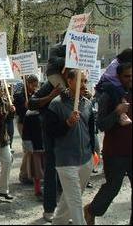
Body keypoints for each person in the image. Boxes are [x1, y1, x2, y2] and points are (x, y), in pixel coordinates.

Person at [84, 62, 132, 225]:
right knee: (113, 187)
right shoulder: (109, 95)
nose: (130, 79)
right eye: (127, 76)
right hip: (116, 152)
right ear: (119, 77)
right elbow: (102, 124)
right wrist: (117, 112)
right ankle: (91, 210)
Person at [46, 69, 95, 225]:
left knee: (68, 201)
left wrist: (93, 153)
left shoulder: (87, 104)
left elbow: (91, 132)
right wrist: (67, 123)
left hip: (86, 160)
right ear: (70, 81)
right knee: (75, 202)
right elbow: (50, 132)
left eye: (86, 81)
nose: (84, 84)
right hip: (66, 162)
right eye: (81, 80)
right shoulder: (56, 104)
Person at [29, 73, 64, 222]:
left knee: (69, 175)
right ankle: (49, 209)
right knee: (51, 171)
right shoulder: (51, 83)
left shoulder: (79, 83)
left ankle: (66, 211)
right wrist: (51, 96)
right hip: (52, 135)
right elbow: (31, 103)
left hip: (70, 138)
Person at [20, 76, 44, 198]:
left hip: (44, 143)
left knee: (45, 166)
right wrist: (27, 143)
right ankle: (37, 189)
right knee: (37, 169)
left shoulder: (45, 113)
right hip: (35, 145)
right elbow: (25, 132)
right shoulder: (29, 115)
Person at [14, 75, 40, 184]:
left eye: (36, 85)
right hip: (23, 123)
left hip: (33, 124)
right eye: (33, 85)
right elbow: (19, 111)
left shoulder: (35, 94)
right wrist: (25, 106)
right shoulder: (20, 95)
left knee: (33, 150)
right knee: (27, 150)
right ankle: (23, 174)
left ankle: (30, 173)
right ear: (28, 84)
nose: (35, 87)